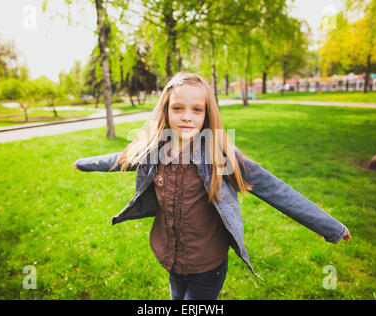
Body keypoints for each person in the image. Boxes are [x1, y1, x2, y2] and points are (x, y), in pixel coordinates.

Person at [73, 71, 351, 300]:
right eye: (178, 108)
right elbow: (120, 158)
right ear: (166, 110)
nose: (186, 116)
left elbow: (275, 189)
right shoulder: (155, 150)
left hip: (207, 265)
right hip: (171, 258)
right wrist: (84, 162)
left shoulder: (220, 155)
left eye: (197, 109)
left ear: (207, 114)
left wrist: (330, 227)